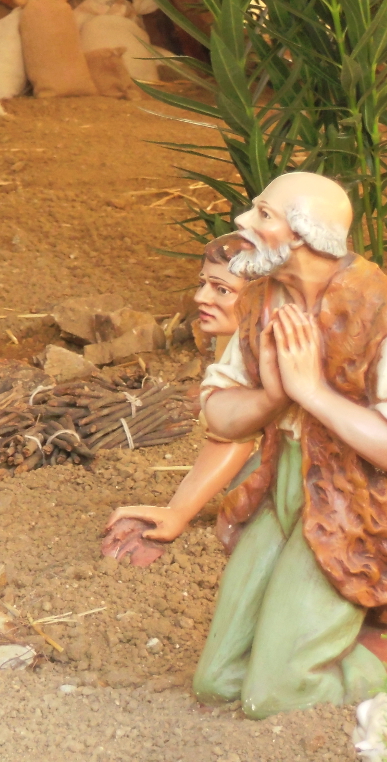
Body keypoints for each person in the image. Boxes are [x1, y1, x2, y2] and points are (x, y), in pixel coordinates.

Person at [192, 171, 387, 719]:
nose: (243, 220)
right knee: (216, 683)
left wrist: (312, 393)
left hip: (353, 505)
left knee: (272, 696)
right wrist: (271, 396)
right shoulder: (265, 301)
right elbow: (217, 411)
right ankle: (301, 649)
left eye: (263, 214)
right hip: (281, 490)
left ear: (303, 235)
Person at [102, 233, 259, 566]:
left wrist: (178, 512)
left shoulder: (272, 349)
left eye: (222, 290)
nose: (201, 297)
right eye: (203, 284)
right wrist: (178, 510)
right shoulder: (240, 339)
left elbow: (235, 434)